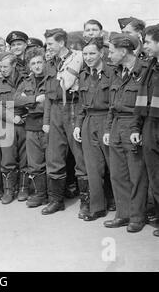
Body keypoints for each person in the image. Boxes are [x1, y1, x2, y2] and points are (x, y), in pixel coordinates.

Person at [103, 33, 148, 232]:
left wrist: (138, 128)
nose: (108, 56)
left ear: (123, 51)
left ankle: (137, 216)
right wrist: (107, 128)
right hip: (116, 126)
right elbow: (112, 105)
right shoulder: (116, 71)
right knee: (118, 174)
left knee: (136, 174)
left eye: (111, 52)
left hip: (134, 125)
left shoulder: (145, 71)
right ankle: (123, 214)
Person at [42, 28, 88, 215]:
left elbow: (69, 86)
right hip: (55, 109)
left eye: (51, 43)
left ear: (61, 43)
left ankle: (87, 201)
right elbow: (48, 93)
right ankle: (56, 200)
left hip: (73, 106)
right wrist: (46, 119)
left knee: (80, 156)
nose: (48, 47)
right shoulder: (49, 62)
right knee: (54, 156)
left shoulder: (78, 58)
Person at [72, 37, 112, 220]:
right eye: (85, 54)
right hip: (89, 121)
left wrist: (110, 127)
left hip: (108, 121)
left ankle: (125, 209)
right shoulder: (83, 75)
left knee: (116, 168)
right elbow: (81, 104)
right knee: (93, 168)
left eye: (92, 53)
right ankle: (97, 208)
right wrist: (78, 125)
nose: (88, 57)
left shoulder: (112, 73)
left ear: (101, 53)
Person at [0, 52, 29, 204]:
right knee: (7, 158)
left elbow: (30, 99)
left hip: (25, 121)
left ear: (14, 65)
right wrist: (12, 118)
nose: (2, 69)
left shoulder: (26, 79)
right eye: (0, 66)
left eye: (5, 66)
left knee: (25, 157)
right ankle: (8, 190)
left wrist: (23, 116)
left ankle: (24, 188)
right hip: (6, 122)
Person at [132, 24, 159, 236]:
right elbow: (143, 100)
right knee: (155, 174)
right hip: (151, 124)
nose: (145, 46)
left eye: (148, 42)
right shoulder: (150, 66)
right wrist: (138, 127)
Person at [14, 47, 48, 207]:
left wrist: (27, 101)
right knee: (34, 163)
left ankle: (54, 196)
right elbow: (16, 100)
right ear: (29, 66)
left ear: (44, 62)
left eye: (40, 62)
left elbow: (48, 102)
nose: (37, 66)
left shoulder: (51, 79)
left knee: (53, 161)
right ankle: (40, 194)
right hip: (32, 126)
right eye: (33, 63)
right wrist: (35, 99)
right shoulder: (26, 82)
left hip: (49, 125)